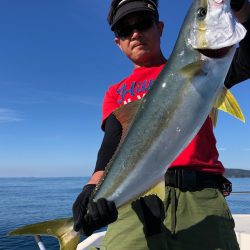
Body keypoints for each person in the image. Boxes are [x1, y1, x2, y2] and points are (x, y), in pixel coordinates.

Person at [73, 0, 250, 249]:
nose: (135, 33)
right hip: (136, 204)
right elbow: (112, 146)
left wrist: (242, 9)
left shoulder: (209, 65)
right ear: (118, 42)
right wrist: (91, 190)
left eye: (143, 24)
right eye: (125, 30)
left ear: (160, 27)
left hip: (200, 198)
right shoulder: (116, 92)